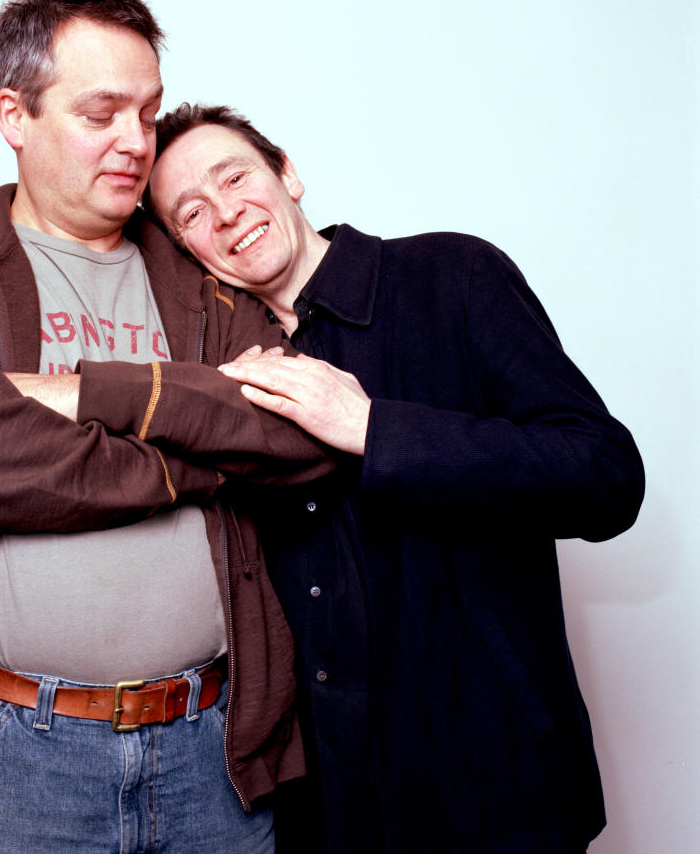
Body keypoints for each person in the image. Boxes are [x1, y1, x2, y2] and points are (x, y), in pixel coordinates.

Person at [0, 0, 331, 853]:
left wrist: (86, 401)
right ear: (14, 115)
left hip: (212, 759)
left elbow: (295, 430)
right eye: (100, 114)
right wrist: (196, 459)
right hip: (3, 762)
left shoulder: (204, 273)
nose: (136, 144)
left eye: (147, 114)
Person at [144, 103, 646, 853]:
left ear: (288, 175)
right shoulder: (224, 375)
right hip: (325, 813)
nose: (226, 214)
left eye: (235, 176)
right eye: (192, 213)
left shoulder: (452, 276)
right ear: (187, 249)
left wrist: (373, 428)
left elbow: (605, 476)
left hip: (496, 791)